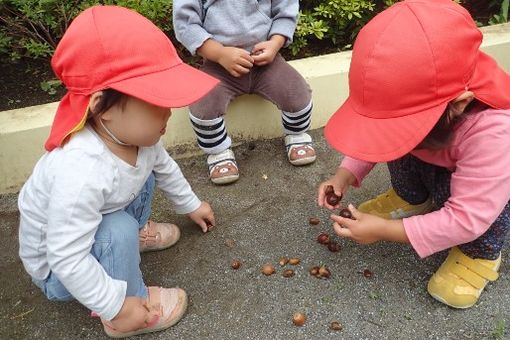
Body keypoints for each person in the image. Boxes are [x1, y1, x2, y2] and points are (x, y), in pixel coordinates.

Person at [17, 5, 219, 338]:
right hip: (58, 272)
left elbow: (165, 168)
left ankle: (128, 242)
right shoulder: (80, 169)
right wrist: (116, 303)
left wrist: (192, 205)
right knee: (118, 227)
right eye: (156, 100)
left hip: (88, 228)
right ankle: (128, 312)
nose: (168, 111)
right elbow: (66, 257)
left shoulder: (137, 136)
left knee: (145, 175)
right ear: (101, 107)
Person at [318, 0, 510, 309]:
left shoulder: (493, 131)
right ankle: (413, 198)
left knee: (482, 212)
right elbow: (375, 136)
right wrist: (344, 174)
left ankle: (480, 256)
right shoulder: (428, 100)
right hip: (441, 154)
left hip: (487, 188)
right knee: (400, 146)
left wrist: (385, 231)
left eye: (403, 124)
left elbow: (468, 216)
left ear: (459, 105)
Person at [173, 0, 316, 185]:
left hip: (265, 61)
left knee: (297, 94)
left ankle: (297, 133)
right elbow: (186, 24)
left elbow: (286, 10)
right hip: (218, 64)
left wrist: (275, 43)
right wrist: (219, 53)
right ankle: (217, 151)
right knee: (203, 107)